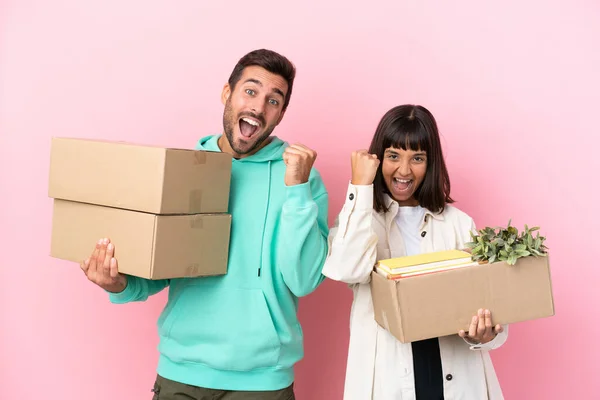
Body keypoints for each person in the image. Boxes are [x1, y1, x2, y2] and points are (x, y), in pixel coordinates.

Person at [80, 49, 329, 400]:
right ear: (227, 93)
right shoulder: (185, 172)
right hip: (180, 373)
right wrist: (118, 283)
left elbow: (304, 280)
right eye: (251, 91)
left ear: (281, 113)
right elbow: (159, 272)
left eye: (274, 100)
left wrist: (298, 191)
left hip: (262, 383)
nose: (258, 108)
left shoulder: (302, 180)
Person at [322, 104, 508, 400]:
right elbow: (345, 269)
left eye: (417, 158)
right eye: (393, 156)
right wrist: (360, 185)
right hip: (388, 380)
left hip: (455, 375)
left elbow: (494, 311)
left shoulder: (459, 224)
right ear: (377, 158)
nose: (404, 170)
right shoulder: (361, 218)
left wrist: (486, 334)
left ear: (430, 163)